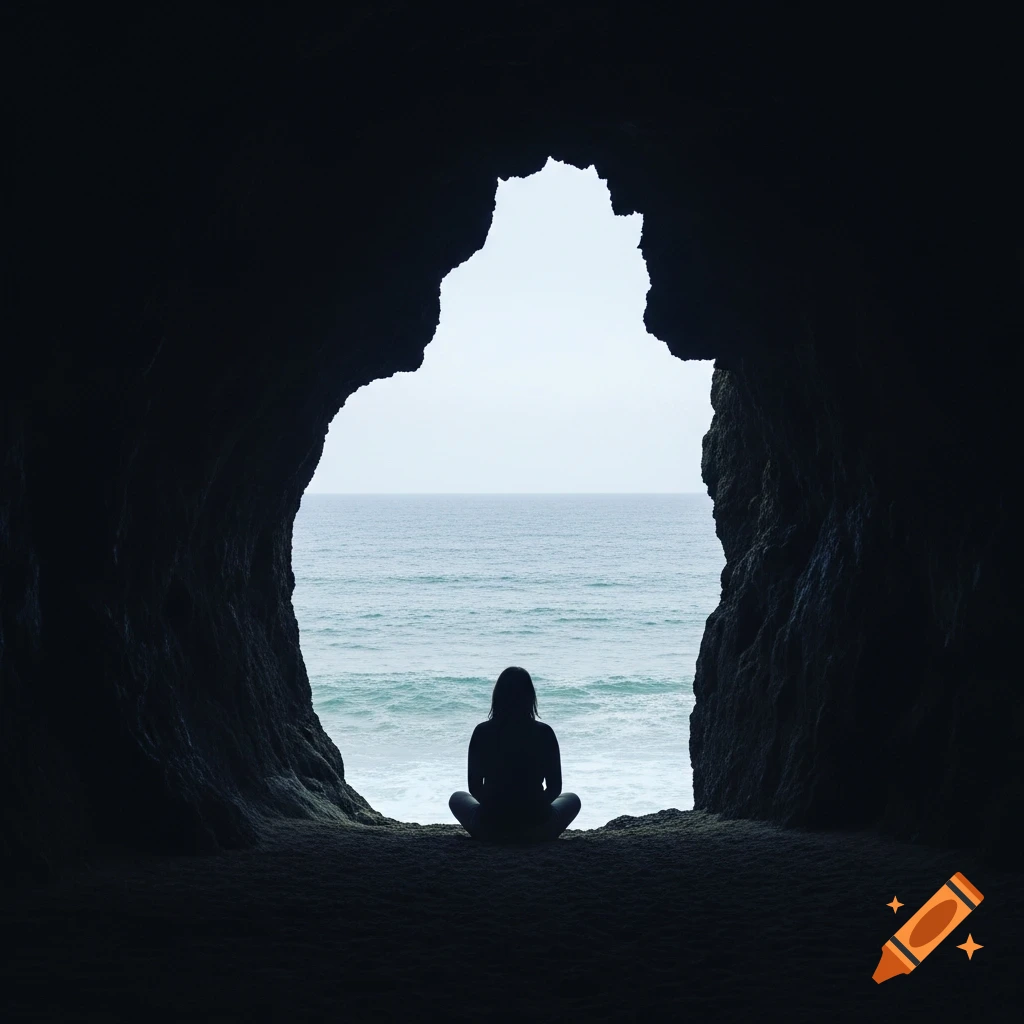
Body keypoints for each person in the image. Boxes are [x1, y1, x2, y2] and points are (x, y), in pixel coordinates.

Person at [449, 666, 582, 841]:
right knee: (572, 799)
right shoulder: (544, 732)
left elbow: (474, 787)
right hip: (536, 822)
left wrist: (495, 809)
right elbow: (555, 787)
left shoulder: (482, 731)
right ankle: (535, 833)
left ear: (497, 696)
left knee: (457, 798)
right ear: (530, 697)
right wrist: (533, 809)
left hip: (491, 824)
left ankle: (493, 832)